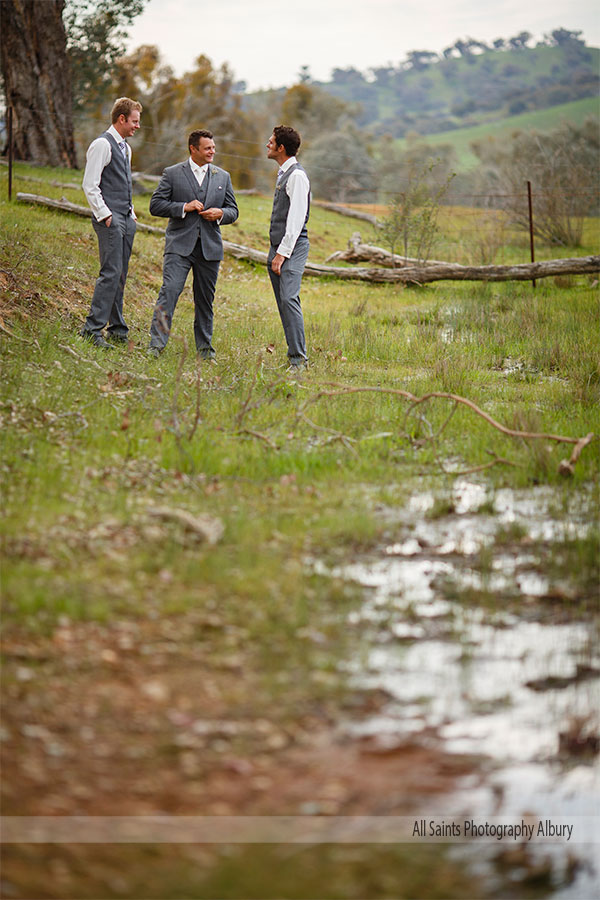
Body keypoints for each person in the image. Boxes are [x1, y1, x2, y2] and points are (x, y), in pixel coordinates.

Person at [147, 129, 238, 359]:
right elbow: (155, 205)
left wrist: (220, 213)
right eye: (208, 148)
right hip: (179, 246)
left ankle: (205, 351)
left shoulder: (222, 176)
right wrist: (183, 207)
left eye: (213, 148)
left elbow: (233, 211)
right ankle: (155, 346)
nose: (212, 152)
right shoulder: (173, 173)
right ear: (193, 149)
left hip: (210, 249)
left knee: (205, 301)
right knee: (170, 291)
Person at [81, 97, 142, 348]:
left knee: (121, 274)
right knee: (110, 273)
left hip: (126, 219)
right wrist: (105, 215)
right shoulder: (101, 145)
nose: (137, 126)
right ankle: (92, 329)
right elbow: (90, 185)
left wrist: (131, 213)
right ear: (121, 119)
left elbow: (122, 184)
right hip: (109, 220)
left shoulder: (126, 148)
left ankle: (117, 328)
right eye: (135, 121)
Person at [266, 125, 310, 370]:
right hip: (278, 247)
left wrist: (282, 254)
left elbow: (296, 218)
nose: (267, 144)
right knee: (283, 302)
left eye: (271, 141)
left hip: (292, 247)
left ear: (281, 147)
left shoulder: (297, 176)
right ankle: (294, 355)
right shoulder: (284, 173)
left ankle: (299, 361)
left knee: (289, 298)